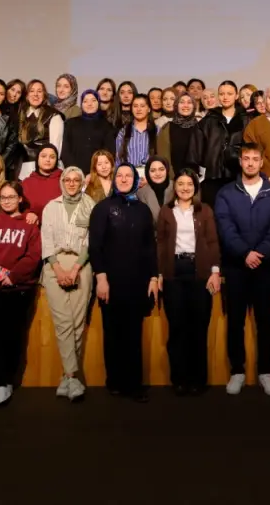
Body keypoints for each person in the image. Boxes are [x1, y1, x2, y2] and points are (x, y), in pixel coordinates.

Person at [215, 143, 270, 396]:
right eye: (246, 159)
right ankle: (237, 371)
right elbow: (225, 228)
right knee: (235, 322)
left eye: (255, 159)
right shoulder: (226, 193)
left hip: (265, 268)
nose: (251, 163)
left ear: (262, 162)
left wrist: (259, 254)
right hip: (236, 267)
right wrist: (245, 253)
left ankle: (266, 371)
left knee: (265, 322)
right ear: (240, 162)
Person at [89, 164, 161, 401]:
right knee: (112, 334)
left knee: (133, 335)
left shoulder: (143, 211)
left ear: (135, 179)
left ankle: (134, 384)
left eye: (128, 175)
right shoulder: (102, 209)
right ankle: (115, 382)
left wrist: (152, 277)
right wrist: (101, 278)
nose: (123, 179)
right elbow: (95, 247)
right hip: (110, 281)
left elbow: (150, 247)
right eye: (119, 175)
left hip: (138, 281)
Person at [0, 180, 43, 407]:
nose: (7, 201)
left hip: (18, 289)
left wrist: (12, 276)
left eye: (11, 197)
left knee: (14, 336)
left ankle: (10, 379)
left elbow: (33, 257)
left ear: (20, 198)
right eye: (3, 198)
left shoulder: (30, 225)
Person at [157, 168, 221, 396]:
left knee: (198, 327)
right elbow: (161, 245)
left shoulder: (204, 211)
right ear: (174, 187)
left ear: (195, 188)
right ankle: (179, 379)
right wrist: (161, 274)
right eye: (181, 184)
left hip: (200, 272)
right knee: (177, 328)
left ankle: (198, 379)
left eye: (189, 184)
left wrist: (215, 271)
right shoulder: (166, 211)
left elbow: (212, 242)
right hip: (174, 272)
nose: (185, 188)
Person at [41, 167, 95, 402]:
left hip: (81, 265)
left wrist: (74, 268)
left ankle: (67, 377)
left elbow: (92, 240)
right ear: (62, 181)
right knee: (63, 321)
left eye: (76, 180)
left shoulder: (90, 204)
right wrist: (58, 268)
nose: (72, 183)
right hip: (54, 266)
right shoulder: (51, 206)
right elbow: (46, 239)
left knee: (76, 322)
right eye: (68, 180)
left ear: (82, 182)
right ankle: (73, 376)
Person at [197, 81, 248, 206]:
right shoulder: (208, 121)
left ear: (236, 96)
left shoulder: (246, 119)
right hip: (213, 176)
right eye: (222, 94)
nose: (225, 97)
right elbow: (199, 149)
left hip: (239, 175)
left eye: (229, 94)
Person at [16, 79, 64, 176]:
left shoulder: (53, 116)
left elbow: (56, 148)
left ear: (44, 95)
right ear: (27, 95)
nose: (35, 94)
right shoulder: (20, 114)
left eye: (39, 91)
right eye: (32, 91)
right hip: (22, 169)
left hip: (45, 169)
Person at [62, 90, 113, 172]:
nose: (89, 104)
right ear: (81, 104)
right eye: (85, 101)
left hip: (98, 174)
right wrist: (75, 171)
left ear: (98, 103)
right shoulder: (70, 124)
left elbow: (108, 152)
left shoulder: (107, 126)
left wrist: (95, 173)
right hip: (74, 174)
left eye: (93, 100)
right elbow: (65, 150)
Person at [156, 92, 206, 174]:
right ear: (176, 106)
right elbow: (163, 158)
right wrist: (173, 178)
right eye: (182, 102)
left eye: (189, 102)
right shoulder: (167, 128)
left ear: (194, 106)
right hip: (174, 179)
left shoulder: (201, 127)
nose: (185, 105)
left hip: (197, 179)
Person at [21, 143, 63, 220]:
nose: (47, 160)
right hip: (33, 227)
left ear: (56, 160)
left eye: (52, 157)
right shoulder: (26, 183)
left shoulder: (63, 181)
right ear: (37, 159)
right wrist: (28, 214)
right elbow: (19, 207)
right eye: (43, 156)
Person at [115, 95, 157, 168]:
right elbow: (119, 158)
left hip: (151, 174)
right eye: (135, 106)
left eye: (142, 106)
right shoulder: (123, 132)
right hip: (130, 174)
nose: (138, 109)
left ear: (149, 109)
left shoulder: (157, 131)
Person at [138, 156, 171, 220]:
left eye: (161, 169)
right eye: (153, 171)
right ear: (148, 173)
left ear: (167, 170)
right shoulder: (140, 193)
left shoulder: (176, 188)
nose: (157, 174)